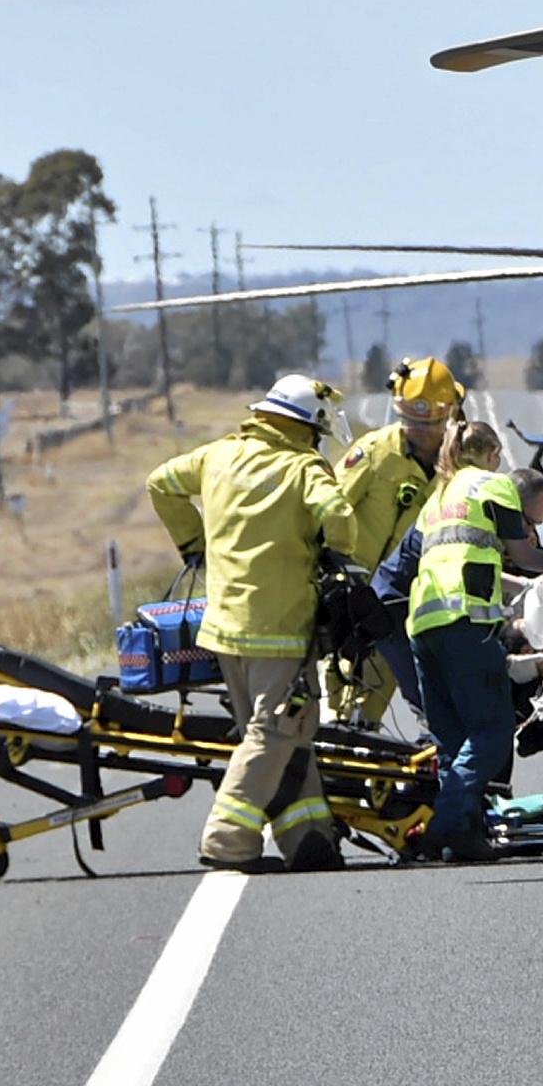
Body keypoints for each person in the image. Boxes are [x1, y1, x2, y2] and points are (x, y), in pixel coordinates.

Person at [147, 374, 359, 873]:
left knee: (290, 733)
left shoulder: (216, 456)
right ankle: (227, 838)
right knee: (274, 734)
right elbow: (339, 515)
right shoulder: (303, 467)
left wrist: (194, 545)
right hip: (279, 631)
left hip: (224, 630)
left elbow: (160, 483)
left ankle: (307, 836)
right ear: (307, 427)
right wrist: (335, 554)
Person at [405, 421, 543, 862]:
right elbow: (525, 554)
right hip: (464, 621)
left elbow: (466, 557)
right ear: (493, 453)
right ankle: (442, 825)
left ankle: (465, 837)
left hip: (423, 623)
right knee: (492, 734)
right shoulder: (493, 485)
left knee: (454, 741)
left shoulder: (439, 495)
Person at [328, 356, 464, 724]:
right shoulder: (374, 452)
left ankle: (366, 742)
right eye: (411, 421)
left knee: (385, 686)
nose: (419, 431)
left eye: (430, 423)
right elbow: (330, 508)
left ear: (449, 414)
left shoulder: (460, 468)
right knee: (341, 687)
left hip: (408, 604)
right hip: (353, 598)